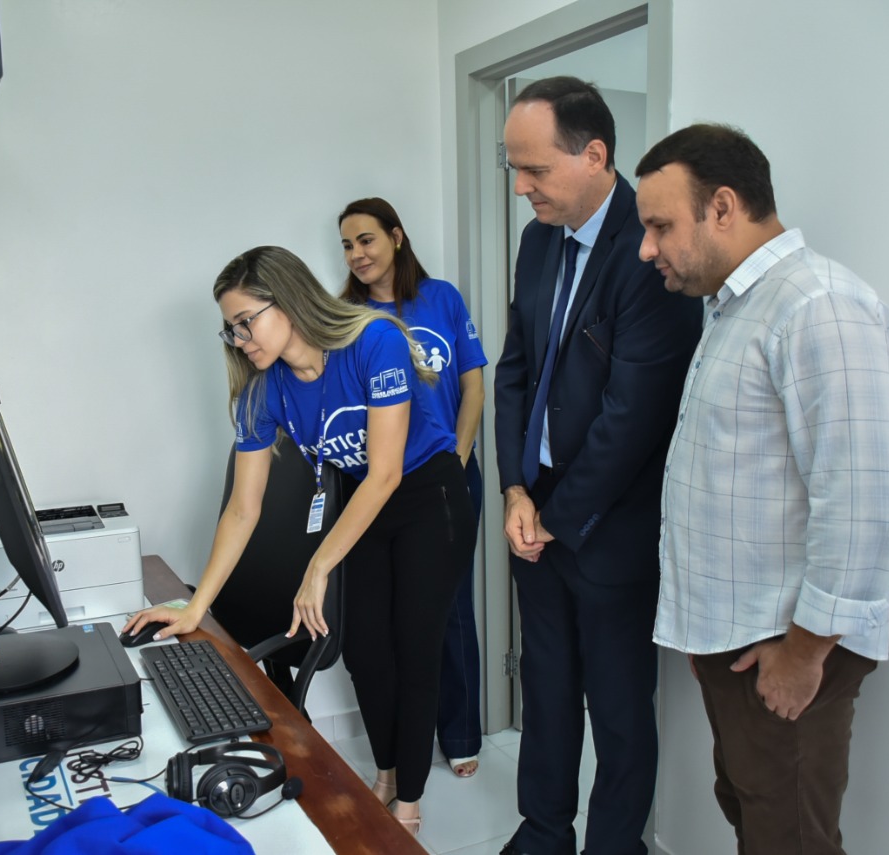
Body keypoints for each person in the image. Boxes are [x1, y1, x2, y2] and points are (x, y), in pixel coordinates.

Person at [123, 246, 476, 836]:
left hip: (427, 499)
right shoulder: (264, 391)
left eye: (246, 322)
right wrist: (196, 607)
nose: (238, 339)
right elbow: (242, 507)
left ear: (285, 301)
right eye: (229, 328)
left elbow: (387, 470)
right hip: (365, 509)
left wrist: (318, 567)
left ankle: (407, 806)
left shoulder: (373, 342)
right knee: (366, 654)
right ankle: (387, 772)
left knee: (415, 653)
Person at [634, 123, 889, 854]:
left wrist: (805, 653)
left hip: (786, 650)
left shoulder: (817, 305)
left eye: (660, 225)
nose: (646, 248)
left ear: (722, 206)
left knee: (789, 837)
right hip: (739, 638)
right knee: (757, 814)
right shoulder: (733, 307)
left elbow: (860, 504)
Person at [492, 77, 702, 855]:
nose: (521, 189)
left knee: (618, 707)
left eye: (535, 170)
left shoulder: (649, 250)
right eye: (513, 169)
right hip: (536, 510)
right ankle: (544, 830)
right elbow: (516, 365)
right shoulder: (537, 240)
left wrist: (553, 514)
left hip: (610, 524)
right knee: (545, 690)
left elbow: (632, 416)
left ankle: (615, 847)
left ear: (594, 155)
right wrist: (517, 487)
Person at [338, 197, 488, 778]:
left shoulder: (442, 298)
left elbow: (473, 386)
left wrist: (457, 455)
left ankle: (461, 733)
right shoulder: (344, 315)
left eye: (366, 240)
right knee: (389, 622)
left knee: (449, 612)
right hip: (379, 486)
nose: (356, 254)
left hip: (446, 474)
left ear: (396, 237)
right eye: (347, 245)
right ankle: (403, 752)